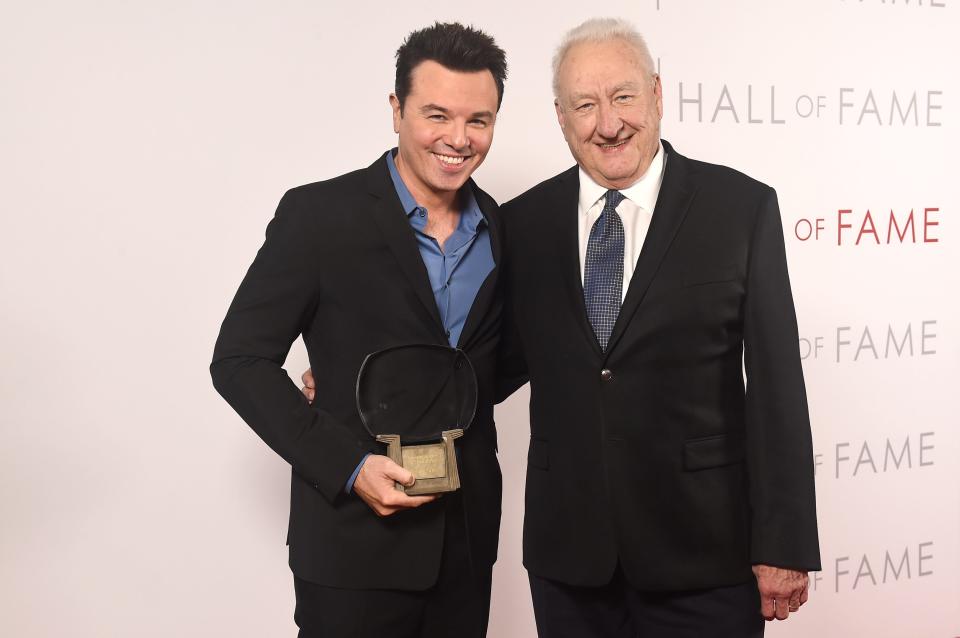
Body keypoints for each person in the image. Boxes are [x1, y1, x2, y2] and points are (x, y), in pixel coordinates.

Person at [493, 18, 821, 637]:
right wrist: (361, 377)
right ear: (561, 118)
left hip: (706, 556)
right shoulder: (523, 224)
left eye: (623, 96)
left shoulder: (740, 209)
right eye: (585, 105)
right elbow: (486, 364)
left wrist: (785, 541)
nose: (608, 123)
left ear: (657, 95)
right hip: (571, 564)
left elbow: (779, 387)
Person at [210, 22, 507, 638]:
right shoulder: (319, 216)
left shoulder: (504, 230)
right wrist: (348, 464)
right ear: (396, 111)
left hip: (466, 548)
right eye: (437, 115)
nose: (458, 139)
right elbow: (238, 359)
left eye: (478, 119)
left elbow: (499, 360)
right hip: (350, 550)